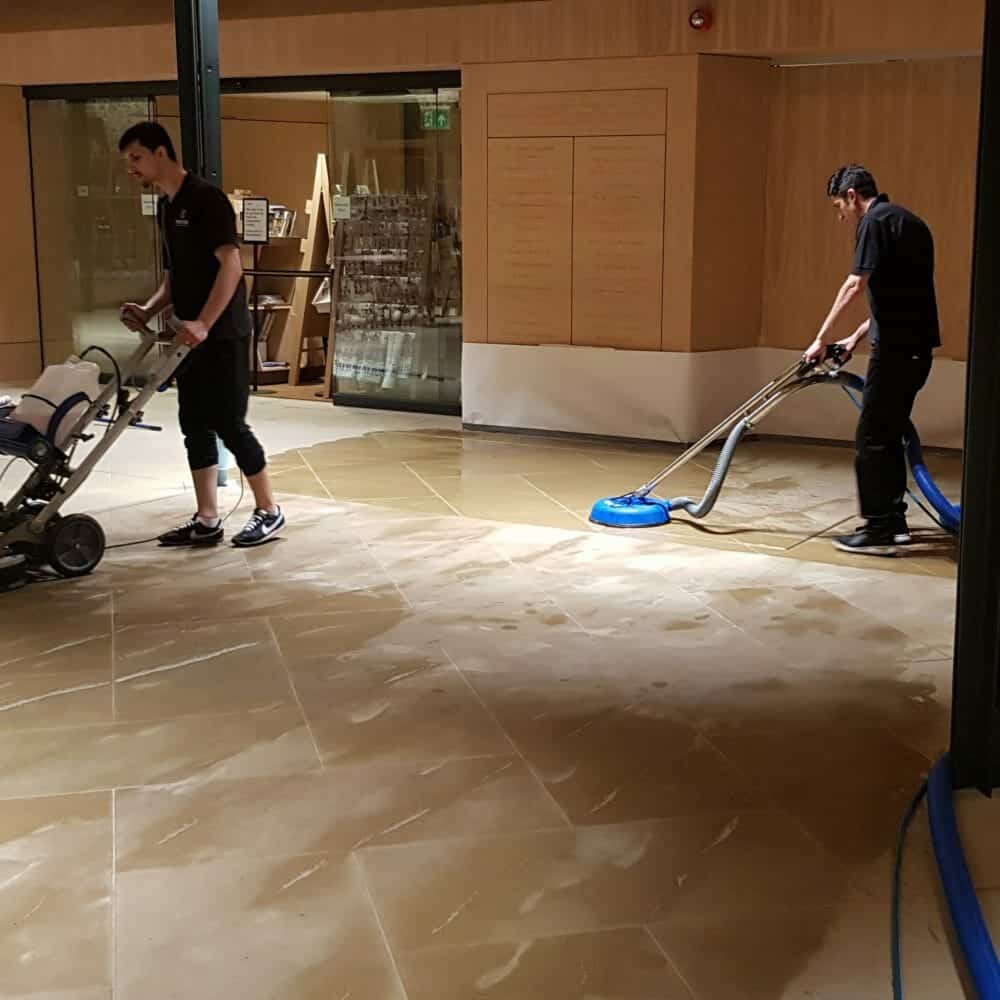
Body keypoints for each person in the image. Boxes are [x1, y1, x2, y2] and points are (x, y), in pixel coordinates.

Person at [117, 121, 285, 548]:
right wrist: (149, 309)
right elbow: (175, 275)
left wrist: (206, 323)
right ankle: (207, 518)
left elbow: (232, 265)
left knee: (230, 423)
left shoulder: (207, 199)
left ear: (161, 152)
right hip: (186, 336)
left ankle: (269, 510)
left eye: (136, 158)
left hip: (222, 333)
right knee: (193, 423)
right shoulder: (167, 207)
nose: (132, 169)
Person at [804, 164, 940, 557]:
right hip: (914, 351)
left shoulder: (873, 221)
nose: (841, 216)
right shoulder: (908, 222)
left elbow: (855, 284)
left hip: (895, 352)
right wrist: (854, 337)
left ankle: (878, 529)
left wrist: (820, 339)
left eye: (838, 207)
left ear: (851, 196)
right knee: (888, 434)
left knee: (872, 437)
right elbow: (897, 296)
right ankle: (894, 524)